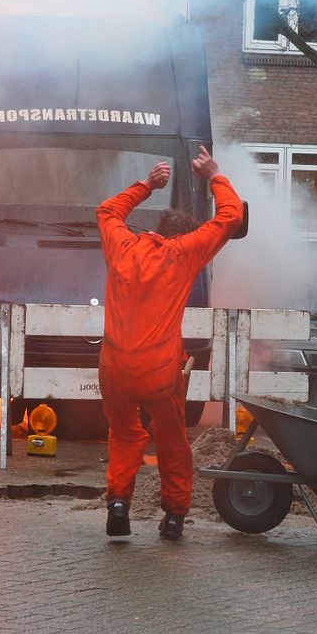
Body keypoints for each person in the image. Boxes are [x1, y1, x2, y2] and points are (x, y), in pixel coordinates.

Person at [96, 146, 243, 541]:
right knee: (173, 440)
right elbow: (232, 217)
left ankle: (117, 505)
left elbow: (107, 212)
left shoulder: (123, 246)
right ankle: (175, 517)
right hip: (160, 370)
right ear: (184, 236)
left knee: (125, 434)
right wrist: (214, 174)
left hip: (114, 367)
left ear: (158, 230)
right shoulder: (184, 254)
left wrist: (146, 185)